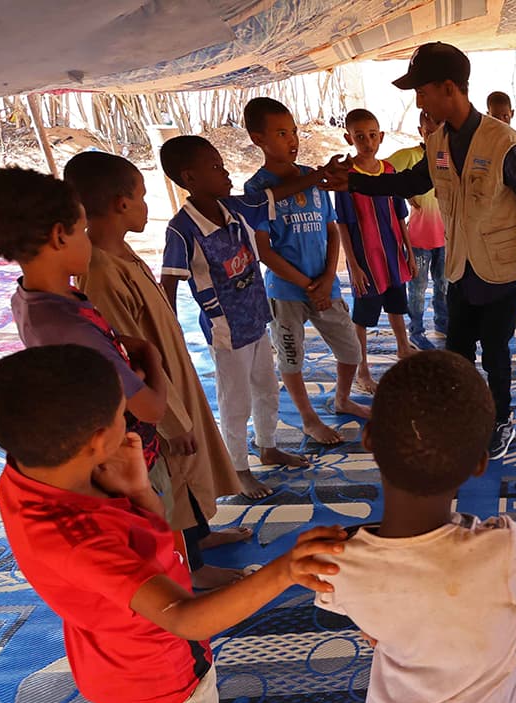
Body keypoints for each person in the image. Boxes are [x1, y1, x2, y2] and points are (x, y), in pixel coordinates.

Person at [0, 343, 348, 703]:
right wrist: (283, 571)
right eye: (122, 416)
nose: (130, 425)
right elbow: (184, 617)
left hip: (127, 652)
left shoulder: (32, 475)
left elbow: (146, 549)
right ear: (97, 441)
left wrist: (137, 492)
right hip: (156, 676)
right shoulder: (77, 539)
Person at [315, 350, 516, 703]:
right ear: (480, 464)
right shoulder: (504, 549)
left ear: (368, 439)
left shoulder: (341, 561)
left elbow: (359, 617)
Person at [322, 42, 516, 461]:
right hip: (460, 266)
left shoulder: (503, 142)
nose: (418, 101)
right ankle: (462, 415)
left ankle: (501, 419)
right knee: (457, 350)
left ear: (449, 88)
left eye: (422, 91)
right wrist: (353, 182)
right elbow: (409, 183)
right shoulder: (439, 141)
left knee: (496, 353)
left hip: (499, 271)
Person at [64, 150, 248, 589]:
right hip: (157, 403)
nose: (147, 206)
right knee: (175, 477)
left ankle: (201, 536)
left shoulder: (120, 253)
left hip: (174, 381)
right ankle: (193, 566)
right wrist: (169, 421)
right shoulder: (101, 271)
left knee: (191, 470)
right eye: (143, 196)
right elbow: (127, 360)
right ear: (121, 203)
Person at [0, 167, 172, 512]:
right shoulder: (69, 327)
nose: (88, 240)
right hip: (124, 467)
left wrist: (122, 359)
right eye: (82, 230)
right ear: (59, 236)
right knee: (155, 528)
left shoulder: (33, 300)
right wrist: (151, 356)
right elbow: (151, 408)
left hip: (108, 452)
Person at [157, 135, 314, 500]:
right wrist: (170, 332)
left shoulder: (235, 208)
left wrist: (319, 177)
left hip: (257, 319)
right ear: (189, 178)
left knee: (266, 388)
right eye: (215, 167)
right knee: (235, 402)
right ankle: (239, 469)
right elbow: (169, 282)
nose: (226, 173)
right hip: (226, 332)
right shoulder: (182, 229)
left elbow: (278, 194)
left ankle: (268, 446)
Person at [242, 96, 371, 446]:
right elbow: (264, 250)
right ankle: (308, 418)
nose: (292, 140)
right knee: (291, 357)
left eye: (294, 131)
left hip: (325, 285)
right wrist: (307, 285)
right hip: (285, 292)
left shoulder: (313, 180)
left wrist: (327, 279)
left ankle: (342, 399)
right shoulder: (256, 189)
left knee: (351, 350)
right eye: (281, 133)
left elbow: (332, 230)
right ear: (258, 139)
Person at [333, 107, 416, 394]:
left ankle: (403, 347)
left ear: (381, 136)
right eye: (360, 137)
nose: (367, 142)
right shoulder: (346, 177)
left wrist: (409, 251)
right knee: (363, 316)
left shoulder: (389, 171)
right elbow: (343, 224)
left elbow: (400, 215)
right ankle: (362, 369)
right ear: (349, 138)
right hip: (366, 258)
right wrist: (353, 266)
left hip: (392, 254)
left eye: (372, 135)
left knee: (396, 303)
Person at [386, 110, 449, 350]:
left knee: (444, 285)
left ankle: (443, 323)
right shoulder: (411, 156)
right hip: (419, 240)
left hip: (445, 238)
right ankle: (416, 330)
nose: (434, 136)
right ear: (420, 131)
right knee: (417, 290)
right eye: (428, 132)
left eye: (439, 131)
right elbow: (380, 172)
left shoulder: (446, 156)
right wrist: (403, 193)